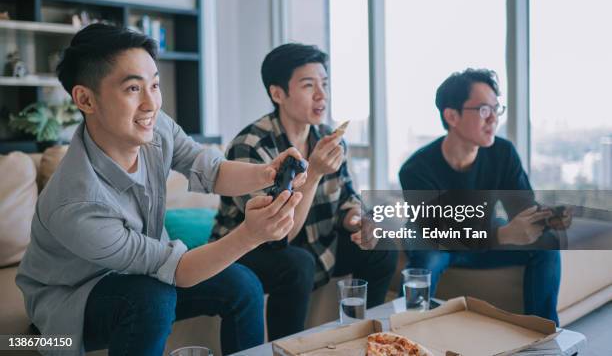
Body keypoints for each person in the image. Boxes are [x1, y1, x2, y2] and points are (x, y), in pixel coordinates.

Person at [16, 23, 306, 356]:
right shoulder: (77, 202)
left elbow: (211, 170)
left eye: (154, 84)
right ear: (85, 99)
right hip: (72, 304)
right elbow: (177, 270)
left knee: (242, 284)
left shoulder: (155, 126)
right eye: (132, 89)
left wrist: (267, 173)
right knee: (151, 298)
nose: (151, 103)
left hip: (141, 276)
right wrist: (251, 235)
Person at [212, 43, 398, 339]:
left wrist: (358, 221)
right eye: (309, 85)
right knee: (297, 263)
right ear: (278, 94)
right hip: (251, 249)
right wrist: (313, 173)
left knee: (380, 243)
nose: (322, 95)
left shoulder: (329, 138)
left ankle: (367, 338)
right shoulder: (250, 145)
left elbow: (347, 198)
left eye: (324, 84)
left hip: (314, 242)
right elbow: (277, 234)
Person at [399, 68, 567, 325]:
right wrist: (501, 234)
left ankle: (543, 336)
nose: (493, 120)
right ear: (452, 116)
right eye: (484, 110)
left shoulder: (502, 153)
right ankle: (409, 334)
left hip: (484, 237)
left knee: (546, 244)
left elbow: (522, 209)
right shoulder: (416, 170)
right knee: (428, 255)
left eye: (496, 110)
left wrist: (545, 218)